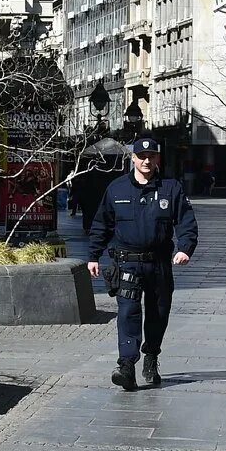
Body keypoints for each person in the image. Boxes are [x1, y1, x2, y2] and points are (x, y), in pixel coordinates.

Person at [85, 137, 197, 391]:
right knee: (127, 314)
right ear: (133, 158)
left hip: (158, 264)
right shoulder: (117, 188)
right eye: (142, 156)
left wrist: (185, 249)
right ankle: (126, 365)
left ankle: (151, 355)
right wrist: (94, 256)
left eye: (152, 156)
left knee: (158, 313)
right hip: (127, 263)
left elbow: (186, 222)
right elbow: (101, 223)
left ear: (158, 159)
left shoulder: (171, 188)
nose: (147, 161)